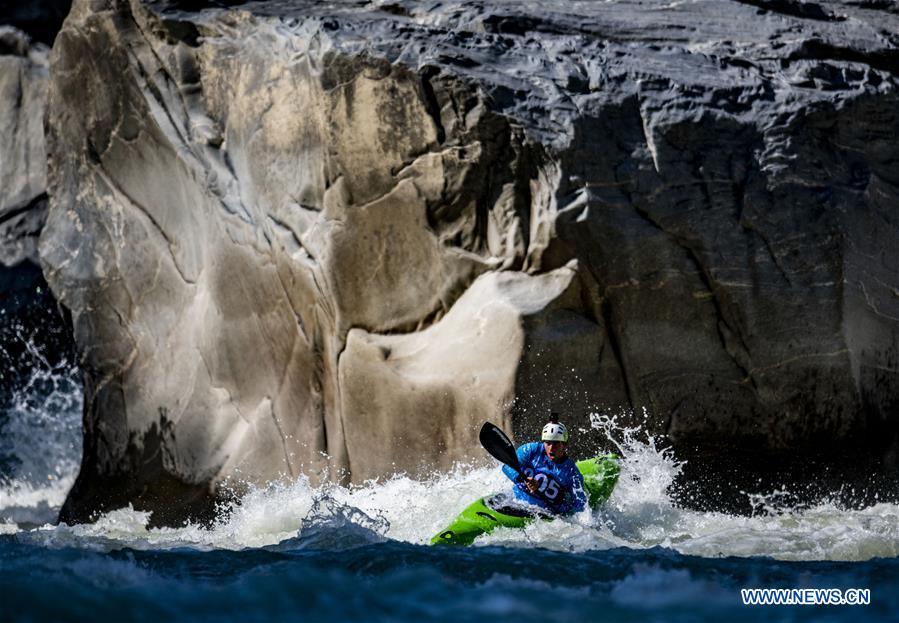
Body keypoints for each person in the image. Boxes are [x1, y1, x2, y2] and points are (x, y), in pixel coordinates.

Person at [497, 414, 587, 516]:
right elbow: (507, 467)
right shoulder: (530, 450)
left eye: (556, 443)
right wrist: (524, 479)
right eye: (548, 443)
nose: (551, 448)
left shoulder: (571, 472)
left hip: (542, 515)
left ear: (564, 444)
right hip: (516, 502)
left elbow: (580, 506)